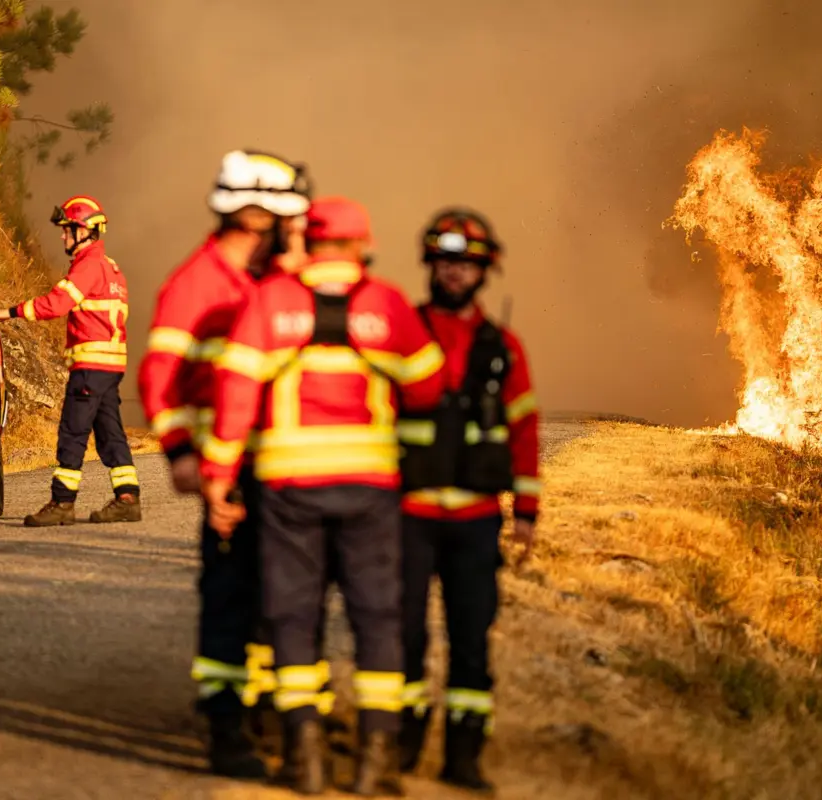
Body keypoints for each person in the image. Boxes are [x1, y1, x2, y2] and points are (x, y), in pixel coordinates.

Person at [200, 196, 446, 796]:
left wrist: (218, 475)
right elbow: (429, 384)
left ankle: (303, 756)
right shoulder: (387, 304)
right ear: (363, 244)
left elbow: (235, 393)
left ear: (308, 241)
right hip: (369, 489)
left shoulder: (271, 301)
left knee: (292, 616)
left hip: (290, 489)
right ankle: (375, 759)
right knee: (377, 618)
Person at [136, 149, 312, 778]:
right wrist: (183, 453)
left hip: (291, 469)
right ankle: (225, 726)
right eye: (285, 219)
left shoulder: (281, 281)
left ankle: (271, 708)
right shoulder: (196, 284)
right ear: (257, 215)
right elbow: (160, 378)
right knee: (231, 597)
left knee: (288, 597)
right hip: (230, 473)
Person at [395, 207, 541, 793]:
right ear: (430, 262)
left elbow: (525, 432)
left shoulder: (504, 348)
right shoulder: (401, 333)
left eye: (468, 263)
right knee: (402, 636)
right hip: (407, 518)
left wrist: (526, 515)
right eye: (446, 260)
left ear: (486, 271)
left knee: (471, 641)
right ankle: (400, 746)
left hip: (478, 523)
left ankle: (464, 757)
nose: (455, 272)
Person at [0, 195, 141, 527]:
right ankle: (128, 497)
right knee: (110, 431)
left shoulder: (88, 266)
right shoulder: (111, 268)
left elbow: (56, 305)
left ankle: (62, 502)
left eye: (68, 229)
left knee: (73, 431)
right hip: (110, 367)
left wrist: (7, 313)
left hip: (90, 366)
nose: (62, 236)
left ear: (84, 231)